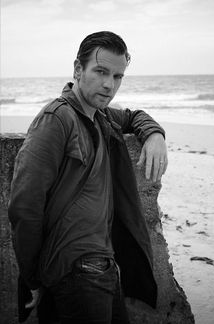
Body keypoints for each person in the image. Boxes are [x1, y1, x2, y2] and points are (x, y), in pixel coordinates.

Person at [8, 31, 168, 324]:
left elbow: (134, 116)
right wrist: (31, 277)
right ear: (78, 69)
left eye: (118, 76)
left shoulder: (101, 115)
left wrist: (155, 134)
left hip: (104, 266)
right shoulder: (56, 119)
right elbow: (24, 204)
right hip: (74, 270)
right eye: (101, 72)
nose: (109, 84)